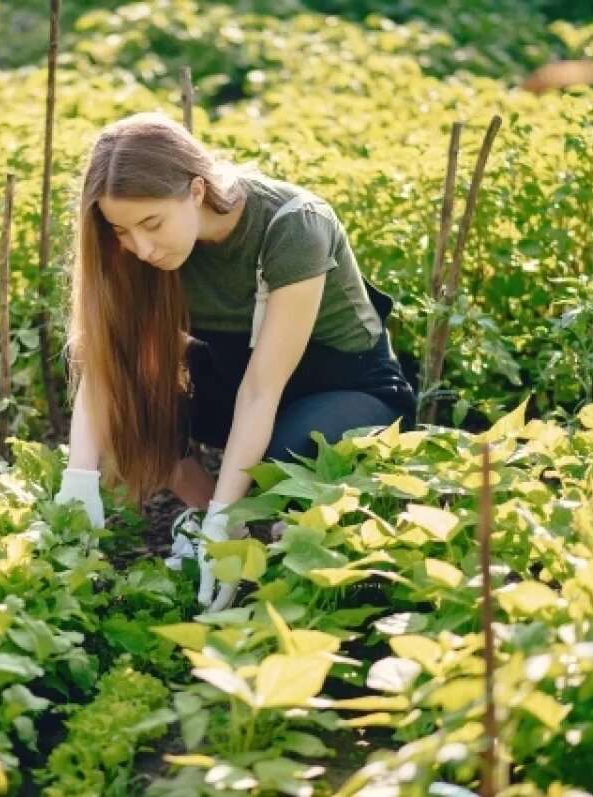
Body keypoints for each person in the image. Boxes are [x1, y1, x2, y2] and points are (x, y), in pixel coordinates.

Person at [53, 111, 417, 611]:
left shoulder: (292, 226)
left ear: (197, 190)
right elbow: (105, 362)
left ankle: (251, 529)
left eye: (151, 224)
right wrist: (79, 479)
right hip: (237, 374)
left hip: (341, 388)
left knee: (286, 465)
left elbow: (262, 389)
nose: (139, 246)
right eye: (121, 229)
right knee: (126, 389)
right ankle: (205, 519)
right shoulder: (141, 251)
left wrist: (232, 510)